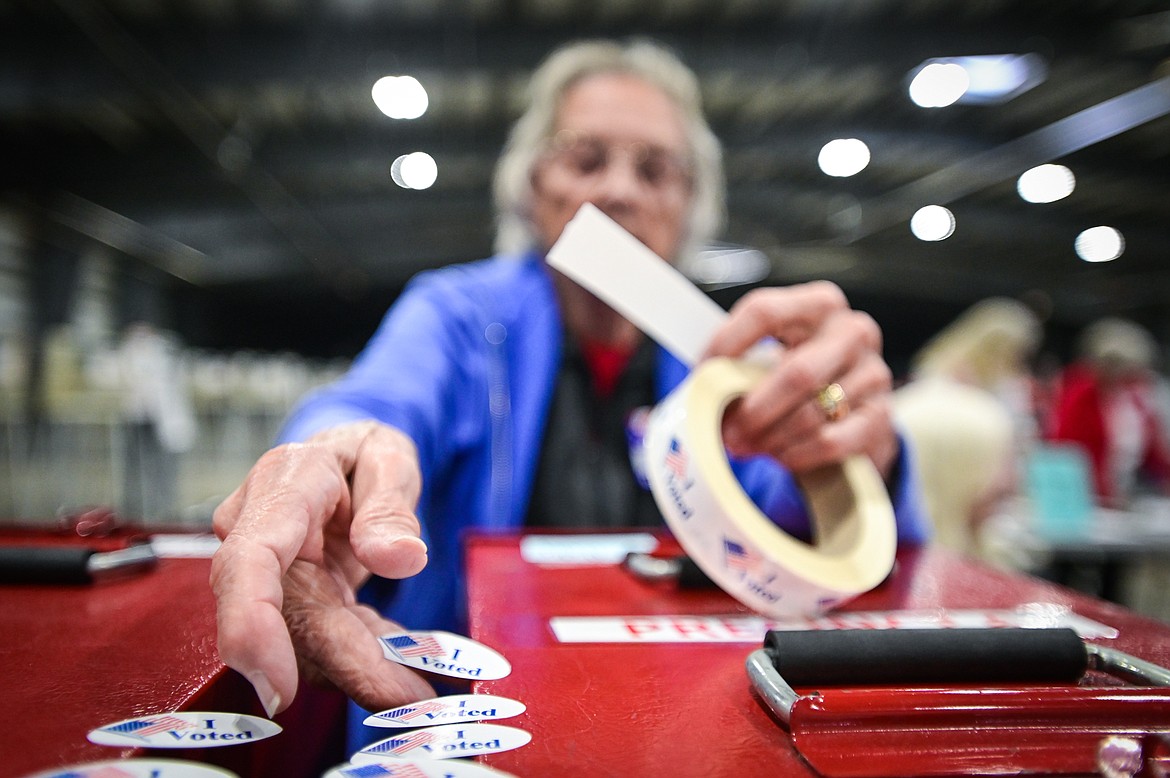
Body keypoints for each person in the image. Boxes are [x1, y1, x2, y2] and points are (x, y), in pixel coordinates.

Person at [209, 38, 930, 748]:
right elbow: (377, 402)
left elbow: (810, 535)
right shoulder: (458, 316)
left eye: (656, 170)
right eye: (586, 159)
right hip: (470, 726)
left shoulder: (734, 357)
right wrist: (333, 451)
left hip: (694, 726)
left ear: (689, 206)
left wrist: (863, 451)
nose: (619, 190)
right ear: (532, 188)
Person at [892, 298, 1042, 555]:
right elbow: (989, 498)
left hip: (904, 548)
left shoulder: (912, 396)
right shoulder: (989, 414)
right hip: (960, 549)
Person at [1047, 317, 1170, 506]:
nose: (1117, 372)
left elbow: (1153, 454)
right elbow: (1065, 448)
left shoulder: (1136, 400)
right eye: (1111, 364)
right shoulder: (1080, 395)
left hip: (1124, 494)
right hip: (1086, 495)